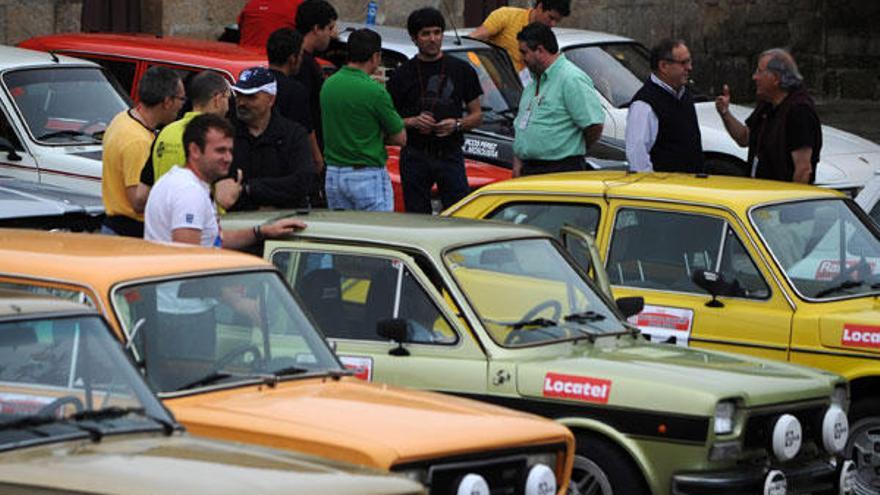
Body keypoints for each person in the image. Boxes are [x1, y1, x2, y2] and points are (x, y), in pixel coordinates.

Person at [144, 113, 304, 249]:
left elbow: (215, 239)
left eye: (230, 150)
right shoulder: (189, 192)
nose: (228, 158)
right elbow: (188, 257)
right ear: (194, 150)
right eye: (220, 151)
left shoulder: (184, 183)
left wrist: (260, 232)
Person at [387, 7, 483, 213]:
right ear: (414, 38)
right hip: (415, 154)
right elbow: (387, 120)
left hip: (450, 153)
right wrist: (412, 121)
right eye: (426, 34)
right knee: (416, 216)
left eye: (437, 32)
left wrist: (457, 124)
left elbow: (477, 115)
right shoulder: (401, 74)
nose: (432, 39)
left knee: (459, 213)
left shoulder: (461, 70)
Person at [320, 28, 405, 211]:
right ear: (376, 56)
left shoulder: (328, 85)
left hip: (334, 174)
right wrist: (377, 134)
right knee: (377, 233)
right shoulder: (375, 91)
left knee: (343, 236)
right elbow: (400, 138)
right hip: (366, 174)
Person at [715, 48, 821, 184]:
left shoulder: (799, 111)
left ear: (775, 78)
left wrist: (790, 203)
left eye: (759, 71)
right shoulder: (768, 103)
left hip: (780, 200)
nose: (754, 77)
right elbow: (744, 138)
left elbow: (803, 170)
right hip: (760, 194)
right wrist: (725, 113)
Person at [511, 22, 604, 177]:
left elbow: (593, 126)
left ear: (540, 50)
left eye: (524, 52)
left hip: (560, 170)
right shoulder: (533, 81)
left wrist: (571, 149)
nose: (521, 58)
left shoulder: (571, 78)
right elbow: (522, 127)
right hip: (529, 170)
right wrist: (518, 161)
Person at [102, 66, 184, 237]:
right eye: (181, 99)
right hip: (129, 234)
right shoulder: (138, 141)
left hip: (113, 226)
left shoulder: (122, 118)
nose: (182, 106)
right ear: (168, 102)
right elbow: (138, 202)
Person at [226, 67, 314, 210]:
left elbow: (302, 181)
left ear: (271, 99)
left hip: (284, 222)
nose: (241, 103)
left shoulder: (293, 135)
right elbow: (220, 184)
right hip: (236, 223)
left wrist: (249, 188)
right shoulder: (225, 133)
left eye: (251, 97)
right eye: (239, 95)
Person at [139, 70, 231, 193]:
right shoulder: (216, 137)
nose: (228, 106)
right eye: (228, 98)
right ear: (218, 99)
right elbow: (224, 196)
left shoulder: (165, 132)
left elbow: (141, 195)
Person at [625, 39, 703, 173]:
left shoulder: (684, 93)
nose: (689, 68)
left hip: (691, 186)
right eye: (684, 63)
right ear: (663, 66)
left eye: (689, 61)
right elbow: (638, 156)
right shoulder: (644, 104)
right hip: (665, 189)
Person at [469, 0, 570, 78]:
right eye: (551, 18)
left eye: (557, 21)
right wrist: (482, 73)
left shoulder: (547, 38)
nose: (553, 24)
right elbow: (470, 41)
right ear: (540, 7)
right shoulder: (506, 16)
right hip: (498, 93)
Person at [295, 0, 338, 173]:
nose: (332, 34)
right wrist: (316, 155)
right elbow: (304, 114)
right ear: (316, 29)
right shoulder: (304, 64)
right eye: (329, 28)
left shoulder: (304, 61)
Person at [266, 28, 313, 135]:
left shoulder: (256, 83)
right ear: (292, 59)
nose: (301, 60)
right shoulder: (296, 91)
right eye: (300, 55)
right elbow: (306, 134)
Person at [237, 0, 303, 49]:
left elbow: (240, 27)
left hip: (247, 60)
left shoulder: (251, 4)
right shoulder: (298, 5)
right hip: (280, 62)